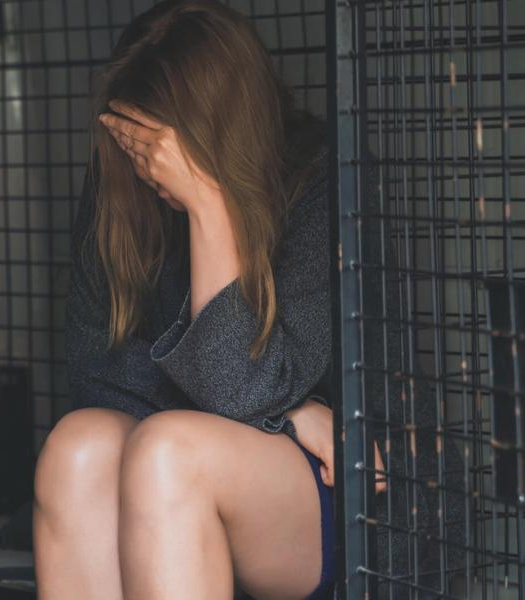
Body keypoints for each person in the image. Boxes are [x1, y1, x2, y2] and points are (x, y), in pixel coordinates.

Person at [33, 1, 464, 599]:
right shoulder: (122, 192)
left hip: (360, 493)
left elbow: (237, 386)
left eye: (163, 148)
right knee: (77, 445)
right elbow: (103, 384)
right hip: (217, 455)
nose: (150, 167)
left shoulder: (320, 181)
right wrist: (286, 410)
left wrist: (209, 205)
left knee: (169, 452)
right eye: (138, 144)